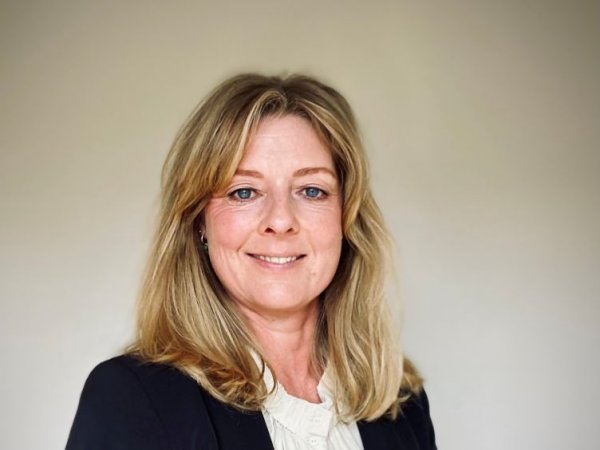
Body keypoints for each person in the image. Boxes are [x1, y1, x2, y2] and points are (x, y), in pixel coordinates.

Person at [66, 73, 436, 450]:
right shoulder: (133, 400)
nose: (281, 220)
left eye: (312, 190)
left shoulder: (401, 404)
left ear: (346, 217)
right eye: (244, 192)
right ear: (199, 221)